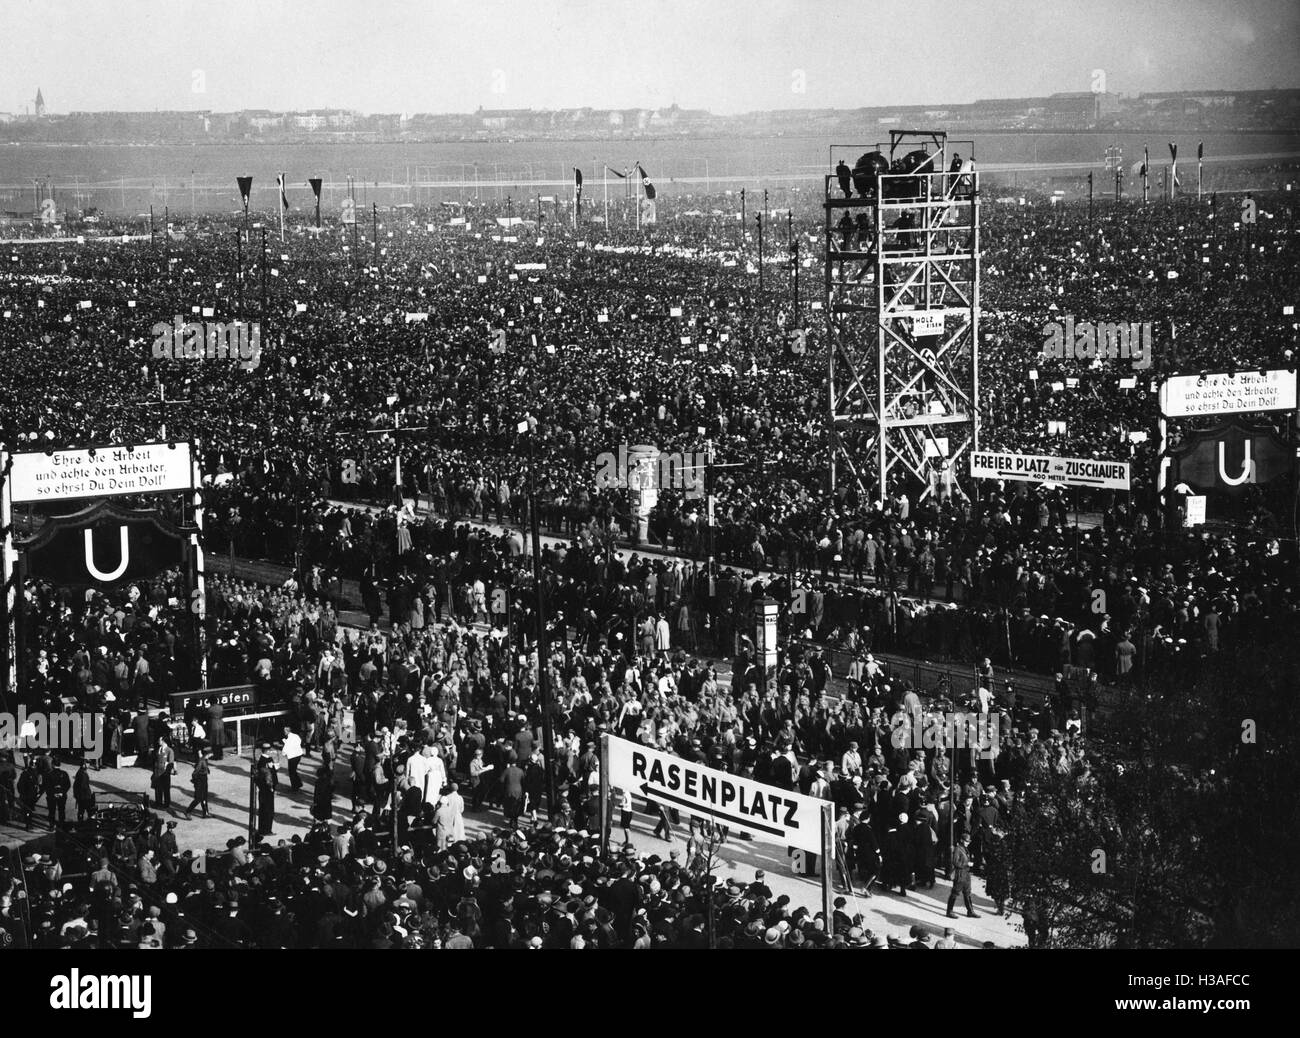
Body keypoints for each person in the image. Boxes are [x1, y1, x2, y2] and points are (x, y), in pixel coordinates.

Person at [946, 833, 978, 919]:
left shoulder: (965, 849)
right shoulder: (958, 849)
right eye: (966, 841)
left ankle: (970, 911)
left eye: (969, 841)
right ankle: (949, 911)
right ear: (961, 840)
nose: (968, 843)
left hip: (966, 874)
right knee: (955, 893)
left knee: (967, 893)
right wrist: (967, 863)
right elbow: (955, 862)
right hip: (960, 874)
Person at [254, 744, 278, 840]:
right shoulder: (265, 761)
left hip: (263, 789)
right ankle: (266, 829)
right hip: (267, 789)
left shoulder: (262, 760)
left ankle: (262, 829)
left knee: (263, 809)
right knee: (268, 809)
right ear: (267, 750)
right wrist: (272, 787)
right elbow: (268, 776)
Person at [185, 749, 211, 819]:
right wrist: (196, 781)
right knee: (198, 798)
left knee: (204, 797)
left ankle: (205, 812)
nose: (209, 756)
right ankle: (188, 811)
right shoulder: (201, 761)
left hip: (204, 779)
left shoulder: (204, 760)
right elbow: (195, 773)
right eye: (208, 755)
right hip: (199, 780)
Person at [153, 734, 176, 810]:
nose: (158, 741)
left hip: (165, 772)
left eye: (160, 740)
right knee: (158, 788)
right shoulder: (158, 749)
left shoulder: (169, 750)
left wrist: (167, 772)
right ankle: (158, 803)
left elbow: (171, 762)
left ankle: (166, 804)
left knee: (166, 789)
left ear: (163, 741)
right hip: (157, 771)